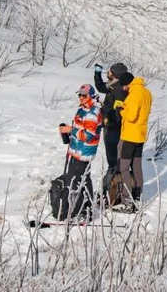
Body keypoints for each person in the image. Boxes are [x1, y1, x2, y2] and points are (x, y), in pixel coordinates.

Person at [57, 83, 102, 216]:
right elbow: (80, 128)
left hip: (84, 152)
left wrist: (71, 130)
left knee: (76, 180)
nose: (81, 97)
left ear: (91, 96)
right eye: (80, 95)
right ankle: (87, 206)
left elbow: (88, 136)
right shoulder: (83, 109)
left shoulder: (92, 113)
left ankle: (81, 209)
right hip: (76, 150)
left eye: (84, 95)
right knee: (84, 179)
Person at [113, 71, 152, 213]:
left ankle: (127, 201)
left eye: (123, 86)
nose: (123, 89)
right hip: (140, 136)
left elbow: (131, 115)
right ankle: (137, 198)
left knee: (123, 168)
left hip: (130, 136)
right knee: (136, 167)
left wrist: (120, 109)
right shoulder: (146, 92)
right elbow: (140, 111)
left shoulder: (134, 94)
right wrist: (125, 105)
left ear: (127, 84)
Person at [92, 62, 129, 175]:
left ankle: (113, 174)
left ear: (115, 74)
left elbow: (116, 109)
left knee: (112, 151)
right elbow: (102, 87)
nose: (108, 72)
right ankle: (114, 171)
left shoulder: (117, 88)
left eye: (110, 71)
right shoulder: (117, 84)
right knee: (114, 150)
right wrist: (97, 74)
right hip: (113, 123)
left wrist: (106, 112)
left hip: (113, 125)